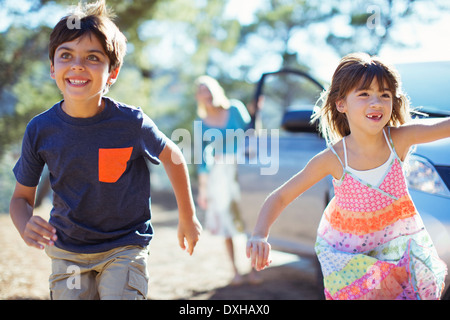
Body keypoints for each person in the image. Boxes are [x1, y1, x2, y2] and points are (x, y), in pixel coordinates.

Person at [9, 0, 202, 300]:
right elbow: (21, 199)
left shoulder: (131, 123)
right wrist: (25, 224)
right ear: (52, 68)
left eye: (93, 57)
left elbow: (174, 158)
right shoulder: (40, 129)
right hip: (68, 250)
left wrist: (187, 217)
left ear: (112, 73)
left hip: (124, 246)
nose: (77, 65)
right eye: (66, 55)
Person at [246, 52, 449, 300]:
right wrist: (259, 234)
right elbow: (279, 197)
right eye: (364, 94)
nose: (376, 102)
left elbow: (444, 126)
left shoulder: (399, 140)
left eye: (384, 95)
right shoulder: (333, 159)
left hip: (396, 251)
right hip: (352, 261)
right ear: (341, 104)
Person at [195, 75, 260, 285]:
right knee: (226, 221)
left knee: (250, 215)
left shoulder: (235, 109)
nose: (206, 94)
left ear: (216, 90)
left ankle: (254, 268)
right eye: (201, 91)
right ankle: (235, 270)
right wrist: (203, 189)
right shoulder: (201, 122)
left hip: (244, 168)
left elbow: (252, 132)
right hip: (219, 173)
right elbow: (202, 158)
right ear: (199, 97)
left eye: (209, 89)